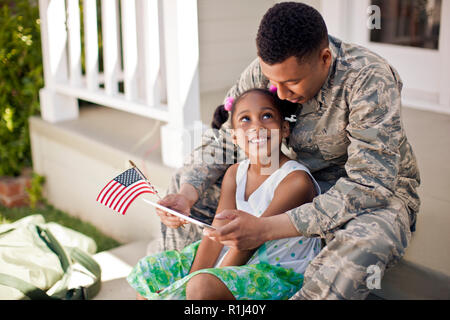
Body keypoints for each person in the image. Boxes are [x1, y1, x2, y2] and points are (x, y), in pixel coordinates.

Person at [155, 2, 420, 300]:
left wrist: (265, 228)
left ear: (324, 59)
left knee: (362, 243)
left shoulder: (368, 79)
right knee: (186, 187)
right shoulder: (265, 70)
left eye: (292, 82)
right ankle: (179, 291)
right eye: (273, 81)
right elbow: (225, 140)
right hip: (288, 178)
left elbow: (370, 185)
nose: (279, 94)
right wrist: (188, 193)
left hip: (366, 191)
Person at [127, 88, 322, 300]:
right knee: (152, 271)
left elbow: (249, 243)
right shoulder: (235, 173)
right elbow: (215, 233)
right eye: (245, 119)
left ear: (284, 128)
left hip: (276, 272)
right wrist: (186, 283)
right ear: (234, 137)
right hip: (233, 257)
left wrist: (194, 285)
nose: (256, 126)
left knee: (201, 286)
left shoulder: (295, 181)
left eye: (266, 116)